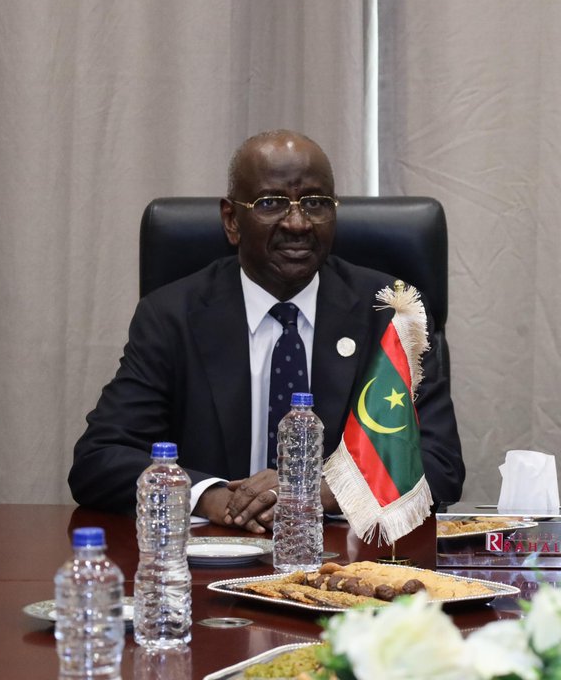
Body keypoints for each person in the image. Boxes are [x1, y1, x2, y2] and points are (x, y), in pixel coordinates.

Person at [70, 130, 464, 532]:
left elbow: (440, 463)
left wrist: (324, 489)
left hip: (344, 563)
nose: (297, 223)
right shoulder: (173, 316)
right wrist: (209, 496)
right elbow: (99, 459)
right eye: (271, 203)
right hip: (213, 558)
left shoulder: (387, 313)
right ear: (231, 220)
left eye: (315, 203)